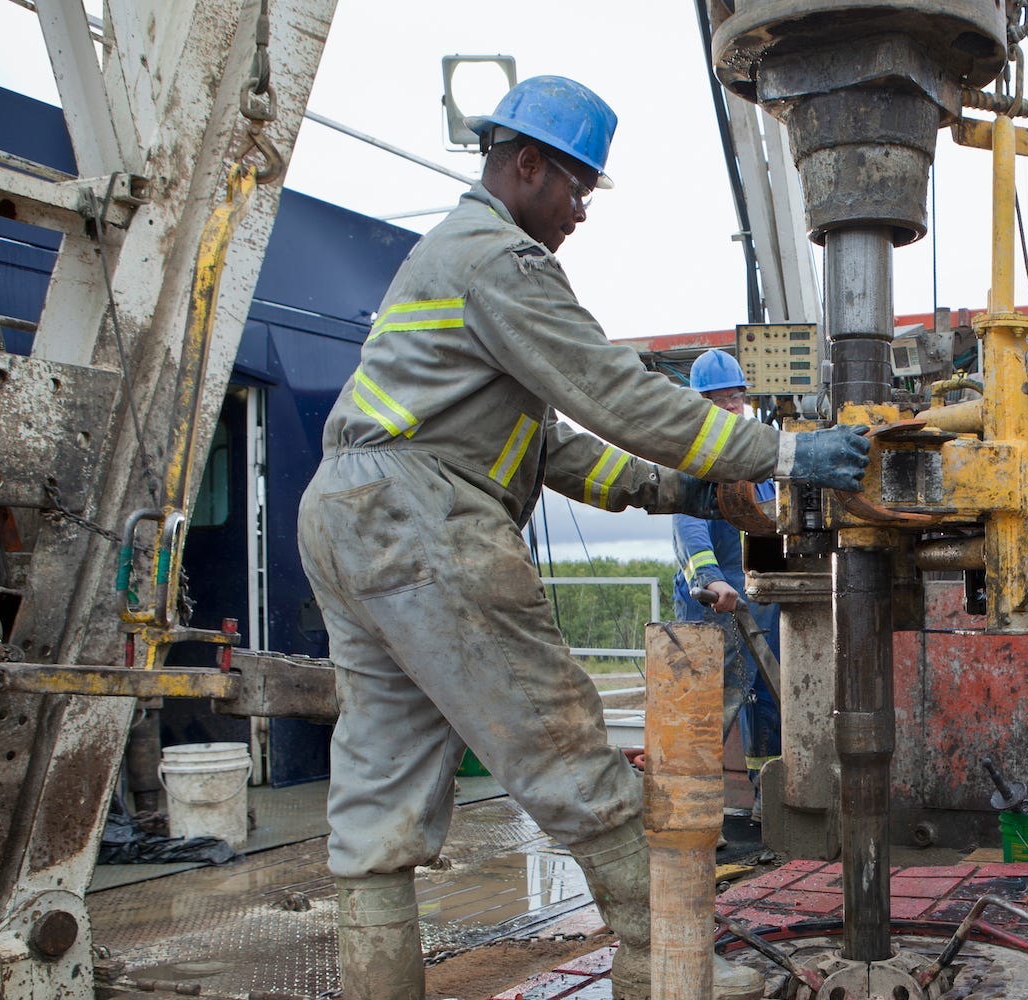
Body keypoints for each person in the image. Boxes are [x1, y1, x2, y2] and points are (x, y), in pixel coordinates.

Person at [295, 75, 869, 1000]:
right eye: (576, 188)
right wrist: (787, 451)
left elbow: (551, 447)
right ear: (526, 167)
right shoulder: (500, 261)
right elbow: (618, 394)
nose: (580, 212)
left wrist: (674, 490)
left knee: (380, 785)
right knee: (564, 745)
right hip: (422, 519)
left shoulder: (442, 260)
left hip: (350, 516)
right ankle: (672, 969)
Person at [670, 350, 782, 802]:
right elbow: (688, 524)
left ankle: (766, 798)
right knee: (708, 704)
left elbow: (777, 514)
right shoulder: (694, 459)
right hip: (712, 601)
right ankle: (688, 806)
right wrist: (712, 578)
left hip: (760, 596)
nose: (731, 408)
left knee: (767, 699)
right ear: (701, 405)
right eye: (719, 401)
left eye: (736, 398)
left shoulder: (757, 453)